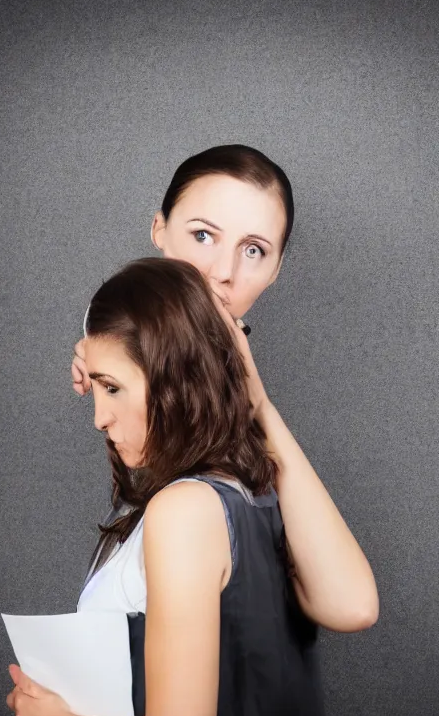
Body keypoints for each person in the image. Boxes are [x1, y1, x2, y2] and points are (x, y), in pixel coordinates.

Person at [7, 257, 331, 716]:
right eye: (94, 386)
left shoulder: (185, 511)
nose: (98, 417)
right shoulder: (251, 494)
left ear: (173, 381)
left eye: (113, 388)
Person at [71, 145, 379, 632]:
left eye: (253, 249)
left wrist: (258, 403)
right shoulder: (110, 340)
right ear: (158, 230)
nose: (221, 272)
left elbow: (352, 606)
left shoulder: (236, 427)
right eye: (202, 235)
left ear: (276, 271)